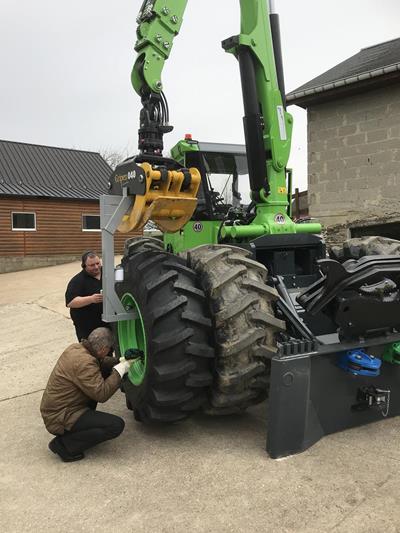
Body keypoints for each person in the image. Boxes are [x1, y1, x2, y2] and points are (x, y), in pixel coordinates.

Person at [40, 327, 132, 462]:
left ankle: (77, 431)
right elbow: (102, 394)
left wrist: (121, 361)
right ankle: (64, 445)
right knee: (115, 425)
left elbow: (100, 363)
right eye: (109, 349)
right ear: (103, 349)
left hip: (58, 410)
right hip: (61, 417)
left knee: (102, 375)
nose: (109, 352)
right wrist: (120, 371)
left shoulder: (76, 349)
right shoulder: (85, 363)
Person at [65, 250, 108, 341]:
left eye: (97, 263)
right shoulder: (77, 281)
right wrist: (91, 299)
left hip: (108, 322)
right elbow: (71, 302)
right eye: (92, 265)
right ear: (84, 266)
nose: (96, 267)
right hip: (87, 327)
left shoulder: (109, 273)